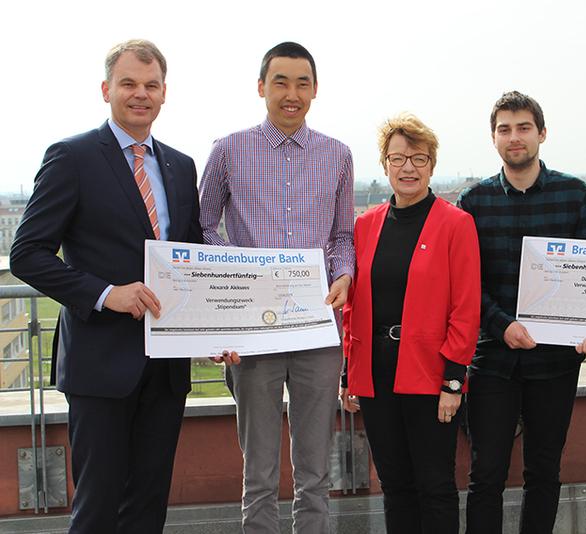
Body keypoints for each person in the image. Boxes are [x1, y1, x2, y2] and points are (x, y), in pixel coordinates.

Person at [9, 40, 201, 533]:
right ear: (106, 89)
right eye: (129, 84)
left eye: (151, 85)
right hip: (101, 364)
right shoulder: (71, 157)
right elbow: (27, 254)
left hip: (166, 368)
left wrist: (217, 326)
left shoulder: (181, 166)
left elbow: (193, 259)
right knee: (96, 509)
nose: (141, 94)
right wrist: (105, 293)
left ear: (164, 94)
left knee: (148, 506)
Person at [198, 41, 354, 534]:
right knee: (258, 474)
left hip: (316, 331)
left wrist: (344, 273)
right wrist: (239, 278)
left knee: (316, 473)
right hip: (253, 333)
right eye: (281, 82)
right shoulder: (228, 150)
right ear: (261, 87)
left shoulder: (338, 155)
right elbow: (202, 229)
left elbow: (342, 235)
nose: (292, 93)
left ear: (315, 90)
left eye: (302, 83)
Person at [457, 91, 586, 534]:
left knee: (544, 471)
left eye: (523, 128)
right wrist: (503, 326)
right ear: (493, 138)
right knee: (486, 474)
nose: (514, 137)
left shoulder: (574, 195)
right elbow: (466, 286)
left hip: (555, 359)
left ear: (541, 133)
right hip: (493, 357)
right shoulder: (473, 202)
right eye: (504, 129)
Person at [339, 113, 480, 534]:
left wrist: (453, 382)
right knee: (395, 486)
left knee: (435, 486)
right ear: (384, 165)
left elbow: (466, 309)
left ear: (432, 165)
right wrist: (350, 371)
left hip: (430, 373)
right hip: (377, 375)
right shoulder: (365, 225)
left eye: (418, 158)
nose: (408, 168)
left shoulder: (456, 223)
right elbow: (354, 307)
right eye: (397, 158)